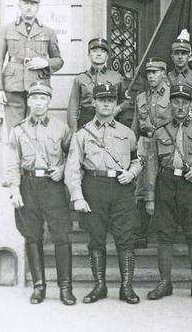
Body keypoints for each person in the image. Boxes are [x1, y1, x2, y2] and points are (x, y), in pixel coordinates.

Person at [65, 84, 143, 305]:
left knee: (126, 238)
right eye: (102, 99)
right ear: (94, 103)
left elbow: (138, 160)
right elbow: (73, 168)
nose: (107, 103)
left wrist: (132, 173)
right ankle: (99, 286)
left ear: (116, 104)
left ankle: (126, 287)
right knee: (96, 238)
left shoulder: (127, 133)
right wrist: (78, 196)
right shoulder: (82, 134)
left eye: (111, 100)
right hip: (94, 187)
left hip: (121, 188)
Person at [5, 82, 75, 305]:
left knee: (61, 235)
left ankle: (65, 287)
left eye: (42, 98)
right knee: (32, 236)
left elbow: (73, 158)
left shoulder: (61, 128)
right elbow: (12, 163)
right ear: (28, 101)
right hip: (28, 185)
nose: (38, 103)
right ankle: (39, 287)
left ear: (50, 102)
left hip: (52, 186)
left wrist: (62, 170)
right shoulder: (18, 130)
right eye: (34, 98)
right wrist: (14, 190)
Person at [145, 85, 192, 302]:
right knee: (164, 235)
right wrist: (149, 196)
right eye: (175, 102)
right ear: (170, 104)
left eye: (184, 102)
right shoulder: (159, 132)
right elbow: (151, 166)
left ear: (190, 105)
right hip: (166, 183)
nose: (180, 106)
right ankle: (164, 283)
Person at [0, 0, 64, 131]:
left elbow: (58, 61)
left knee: (37, 132)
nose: (29, 7)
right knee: (15, 133)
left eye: (33, 3)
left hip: (38, 87)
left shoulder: (48, 32)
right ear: (19, 5)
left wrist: (45, 62)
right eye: (26, 3)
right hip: (13, 87)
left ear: (38, 7)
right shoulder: (7, 30)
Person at [131, 57, 172, 249]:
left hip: (165, 144)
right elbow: (134, 128)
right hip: (145, 143)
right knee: (141, 187)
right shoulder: (141, 98)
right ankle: (141, 232)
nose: (151, 76)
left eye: (155, 72)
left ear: (164, 74)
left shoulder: (173, 95)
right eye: (148, 73)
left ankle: (164, 230)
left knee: (163, 184)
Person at [67, 38, 130, 132]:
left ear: (107, 56)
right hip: (87, 120)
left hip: (110, 120)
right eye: (94, 51)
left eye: (103, 51)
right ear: (89, 55)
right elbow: (73, 108)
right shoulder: (80, 78)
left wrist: (117, 109)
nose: (99, 54)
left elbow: (126, 102)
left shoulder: (116, 77)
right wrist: (73, 131)